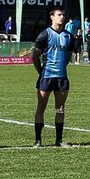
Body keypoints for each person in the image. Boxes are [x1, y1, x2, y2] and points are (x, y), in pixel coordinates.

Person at [32, 8, 75, 147]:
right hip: (47, 77)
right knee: (41, 108)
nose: (62, 17)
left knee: (60, 108)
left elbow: (69, 55)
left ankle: (59, 140)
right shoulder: (45, 34)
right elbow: (35, 56)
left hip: (61, 78)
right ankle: (38, 140)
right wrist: (41, 72)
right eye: (59, 15)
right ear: (52, 17)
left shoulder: (68, 36)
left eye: (63, 14)